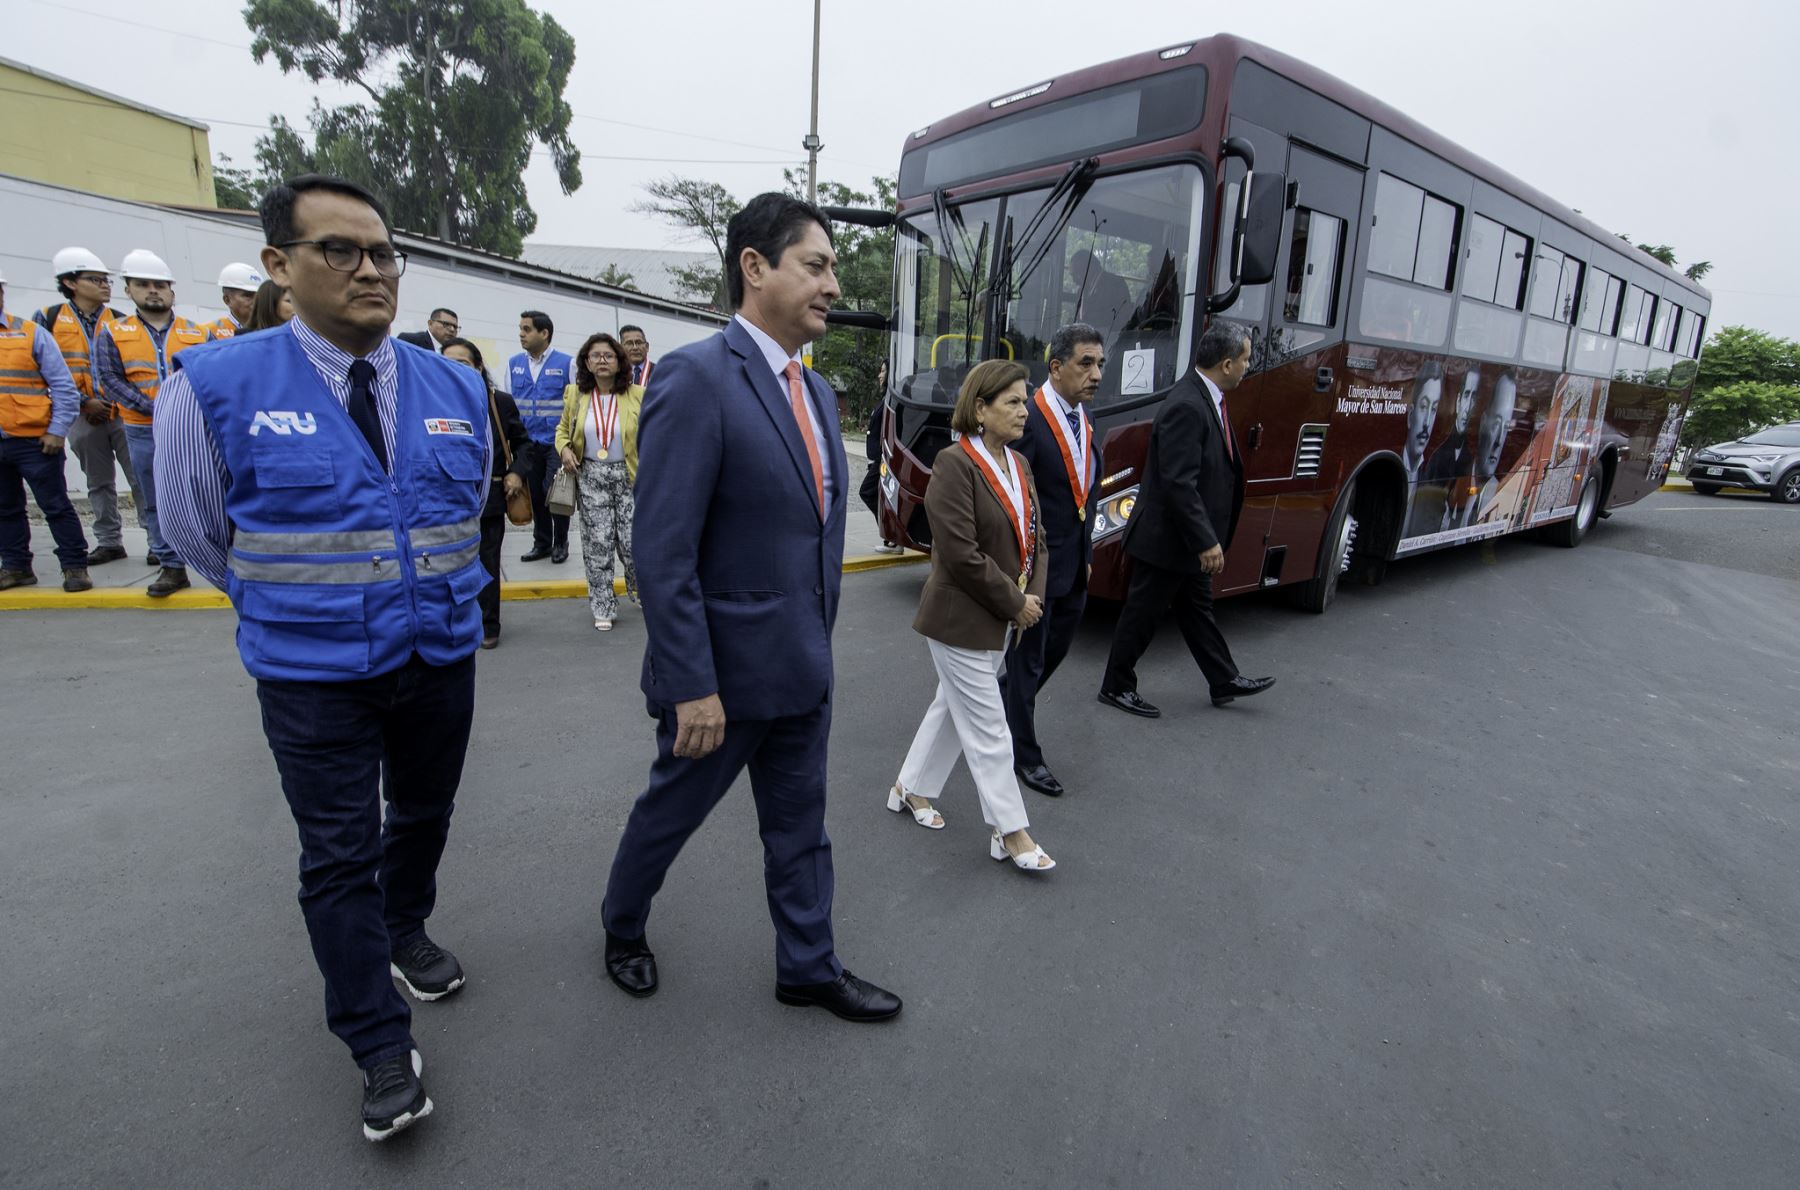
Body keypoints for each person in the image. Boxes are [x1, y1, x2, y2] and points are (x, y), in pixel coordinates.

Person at [155, 173, 491, 1142]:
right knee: (338, 853)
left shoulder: (456, 381)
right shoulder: (213, 383)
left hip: (437, 652)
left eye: (382, 251)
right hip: (310, 674)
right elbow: (192, 526)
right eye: (339, 250)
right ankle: (379, 1043)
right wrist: (298, 600)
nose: (369, 269)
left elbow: (459, 512)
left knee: (424, 810)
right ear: (279, 265)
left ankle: (403, 926)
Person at [601, 192, 901, 1023]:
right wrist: (692, 682)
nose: (834, 284)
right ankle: (622, 925)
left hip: (803, 665)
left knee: (802, 832)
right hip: (721, 684)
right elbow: (663, 550)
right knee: (671, 815)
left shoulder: (817, 391)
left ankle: (808, 966)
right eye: (818, 264)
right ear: (755, 267)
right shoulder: (696, 378)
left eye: (835, 267)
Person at [888, 359, 1055, 871]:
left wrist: (1032, 600)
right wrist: (1014, 602)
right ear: (980, 408)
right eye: (1012, 401)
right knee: (989, 728)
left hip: (1003, 617)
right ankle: (1011, 832)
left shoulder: (1020, 464)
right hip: (959, 619)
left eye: (1024, 400)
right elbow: (960, 553)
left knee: (950, 710)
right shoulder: (953, 463)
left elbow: (1038, 540)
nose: (1024, 410)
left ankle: (910, 788)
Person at [1097, 319, 1275, 717]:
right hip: (1168, 539)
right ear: (1226, 364)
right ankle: (1116, 685)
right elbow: (1179, 483)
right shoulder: (1187, 405)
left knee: (1198, 611)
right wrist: (1205, 540)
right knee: (1142, 614)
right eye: (1245, 360)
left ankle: (1223, 676)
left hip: (1184, 538)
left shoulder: (1204, 396)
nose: (1248, 367)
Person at [1002, 323, 1105, 798]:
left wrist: (1086, 554)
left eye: (1100, 363)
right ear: (1057, 367)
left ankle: (997, 710)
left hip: (1074, 566)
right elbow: (1016, 499)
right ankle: (1024, 755)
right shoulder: (1031, 419)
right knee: (1027, 663)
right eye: (1086, 363)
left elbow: (1085, 494)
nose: (1096, 373)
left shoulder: (1082, 419)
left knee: (1054, 652)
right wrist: (1022, 571)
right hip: (1037, 569)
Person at [92, 249, 210, 597]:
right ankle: (171, 567)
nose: (153, 291)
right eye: (143, 285)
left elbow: (212, 377)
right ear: (128, 290)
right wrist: (151, 407)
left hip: (190, 427)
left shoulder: (196, 333)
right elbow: (109, 379)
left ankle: (214, 554)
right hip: (142, 429)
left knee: (204, 492)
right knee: (153, 498)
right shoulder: (113, 333)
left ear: (172, 291)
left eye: (160, 285)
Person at [34, 246, 139, 565]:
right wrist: (84, 402)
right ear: (70, 283)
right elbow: (44, 369)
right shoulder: (49, 319)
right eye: (96, 280)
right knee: (99, 482)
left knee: (140, 479)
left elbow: (130, 367)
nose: (105, 285)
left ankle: (159, 541)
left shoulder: (120, 320)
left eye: (106, 280)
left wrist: (112, 400)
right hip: (82, 416)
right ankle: (109, 541)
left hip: (120, 413)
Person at [0, 266, 93, 593]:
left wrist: (57, 431)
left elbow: (64, 388)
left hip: (35, 441)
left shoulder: (30, 333)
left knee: (54, 505)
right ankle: (15, 566)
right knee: (6, 509)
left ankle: (74, 566)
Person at [440, 336, 530, 649]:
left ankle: (488, 625)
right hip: (444, 499)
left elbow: (524, 445)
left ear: (478, 366)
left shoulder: (499, 402)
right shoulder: (430, 401)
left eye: (463, 363)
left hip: (488, 496)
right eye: (447, 362)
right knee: (446, 565)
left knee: (486, 563)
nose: (455, 369)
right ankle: (451, 622)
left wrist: (516, 472)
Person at [555, 331, 641, 631]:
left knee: (633, 543)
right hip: (591, 476)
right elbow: (563, 431)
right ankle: (603, 605)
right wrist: (564, 449)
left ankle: (641, 591)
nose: (602, 361)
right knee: (597, 545)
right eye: (595, 356)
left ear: (619, 362)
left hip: (628, 476)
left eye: (608, 355)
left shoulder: (636, 395)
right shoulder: (575, 395)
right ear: (586, 363)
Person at [508, 310, 573, 562]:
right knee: (535, 494)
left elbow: (573, 405)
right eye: (521, 328)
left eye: (527, 329)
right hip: (527, 443)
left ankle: (561, 542)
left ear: (544, 333)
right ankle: (542, 543)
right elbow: (510, 403)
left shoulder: (566, 363)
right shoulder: (514, 364)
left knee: (555, 492)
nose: (521, 334)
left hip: (556, 442)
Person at [1401, 361, 1443, 483]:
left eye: (1434, 409)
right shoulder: (1386, 465)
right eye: (1424, 407)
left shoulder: (1431, 474)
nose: (1427, 423)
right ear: (1410, 415)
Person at [205, 262, 266, 338]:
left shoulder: (271, 329)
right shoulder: (210, 333)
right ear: (227, 300)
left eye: (259, 295)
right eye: (248, 295)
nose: (256, 301)